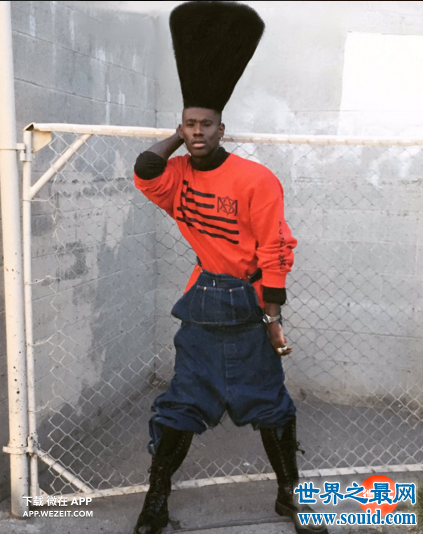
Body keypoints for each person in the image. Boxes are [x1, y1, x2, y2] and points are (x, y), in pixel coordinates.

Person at [132, 3, 329, 534]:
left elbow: (274, 250)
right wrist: (176, 137)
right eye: (190, 125)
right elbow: (145, 169)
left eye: (206, 125)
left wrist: (274, 319)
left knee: (272, 406)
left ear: (224, 128)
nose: (198, 132)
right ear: (182, 128)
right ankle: (155, 504)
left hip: (248, 306)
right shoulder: (176, 175)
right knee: (180, 406)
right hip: (201, 307)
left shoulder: (256, 179)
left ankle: (291, 497)